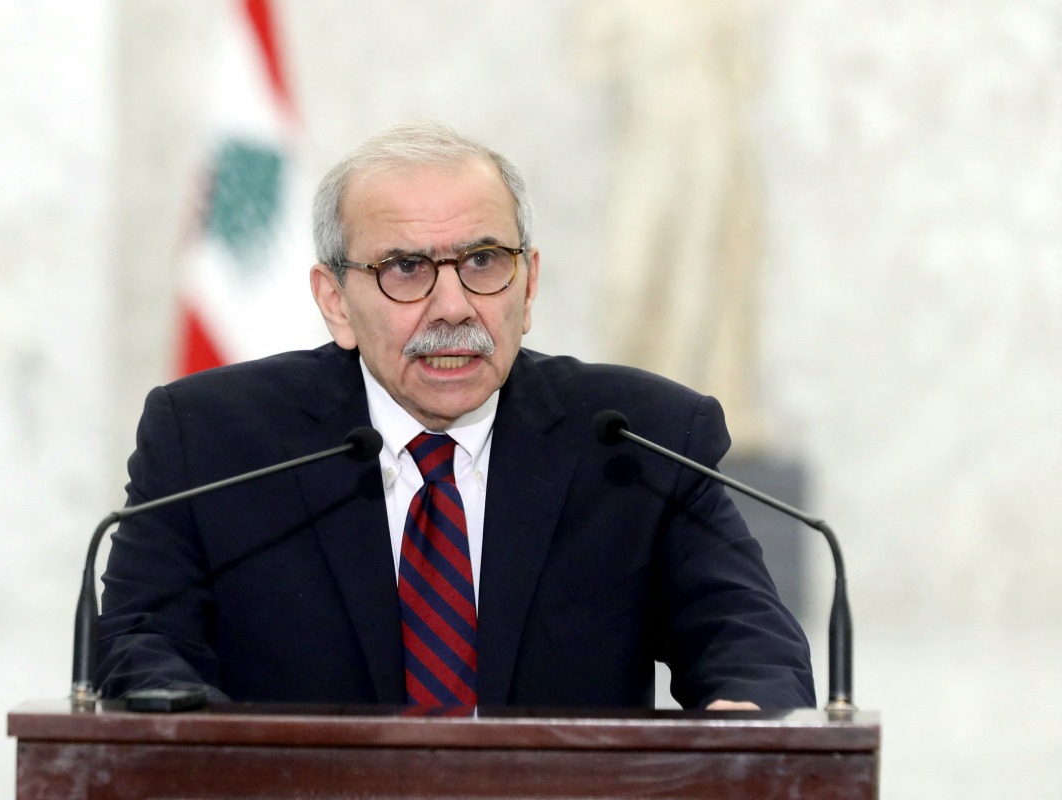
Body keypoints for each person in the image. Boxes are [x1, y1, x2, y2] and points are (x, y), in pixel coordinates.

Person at [97, 121, 814, 710]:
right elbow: (141, 644)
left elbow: (748, 641)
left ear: (529, 286)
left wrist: (745, 722)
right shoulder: (213, 442)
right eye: (405, 269)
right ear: (335, 301)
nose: (453, 306)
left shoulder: (639, 441)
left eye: (483, 261)